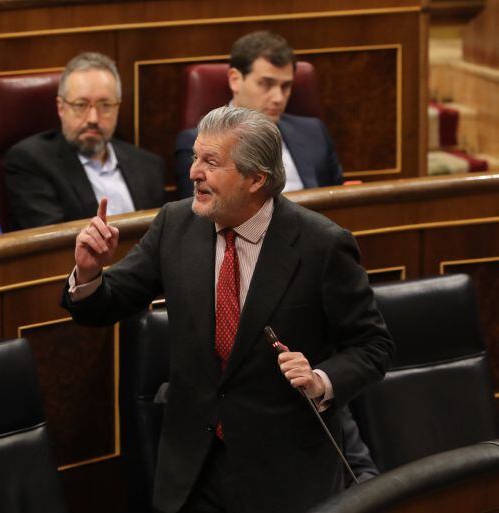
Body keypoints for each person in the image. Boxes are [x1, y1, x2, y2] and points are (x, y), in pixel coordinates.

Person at [63, 107, 393, 513]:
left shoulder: (321, 245)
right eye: (196, 158)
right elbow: (105, 303)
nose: (194, 172)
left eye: (211, 162)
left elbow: (373, 346)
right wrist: (89, 272)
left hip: (284, 478)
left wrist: (321, 379)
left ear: (256, 179)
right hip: (193, 472)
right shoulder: (175, 224)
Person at [4, 52, 165, 230]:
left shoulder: (148, 166)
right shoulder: (31, 161)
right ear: (61, 108)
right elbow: (52, 245)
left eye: (105, 105)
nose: (93, 119)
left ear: (117, 108)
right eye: (81, 105)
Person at [174, 31, 343, 199]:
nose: (278, 98)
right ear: (235, 80)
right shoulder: (198, 142)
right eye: (266, 84)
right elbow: (199, 212)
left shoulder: (314, 131)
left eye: (285, 86)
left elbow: (338, 200)